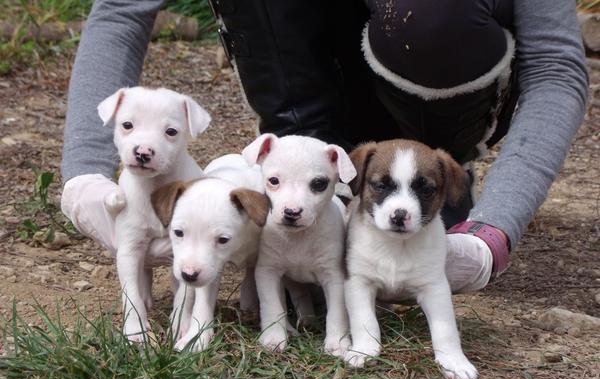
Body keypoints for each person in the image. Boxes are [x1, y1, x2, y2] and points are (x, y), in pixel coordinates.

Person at [60, 0, 588, 294]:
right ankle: (322, 189)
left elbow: (556, 68)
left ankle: (424, 172)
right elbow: (124, 10)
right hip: (315, 123)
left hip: (434, 77)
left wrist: (492, 235)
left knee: (428, 19)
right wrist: (84, 175)